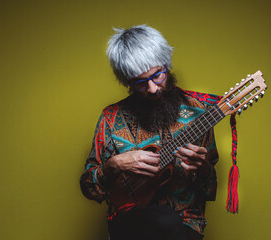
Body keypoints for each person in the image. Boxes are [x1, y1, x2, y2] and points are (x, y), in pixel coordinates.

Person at [80, 25, 224, 240]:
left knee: (168, 221)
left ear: (167, 65)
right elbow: (89, 188)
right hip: (130, 226)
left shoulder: (199, 114)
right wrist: (113, 165)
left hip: (185, 226)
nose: (153, 88)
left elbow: (210, 189)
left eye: (158, 75)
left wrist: (203, 169)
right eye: (140, 82)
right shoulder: (111, 118)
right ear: (127, 83)